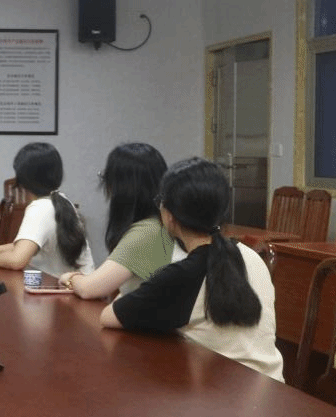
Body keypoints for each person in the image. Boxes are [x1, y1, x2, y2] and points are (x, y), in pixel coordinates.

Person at [100, 157, 283, 382]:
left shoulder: (183, 275)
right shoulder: (252, 256)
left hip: (220, 395)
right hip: (271, 386)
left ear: (169, 215)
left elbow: (108, 316)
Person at [58, 143, 183, 299]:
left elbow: (89, 289)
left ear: (120, 188)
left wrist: (70, 278)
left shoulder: (146, 232)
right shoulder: (159, 224)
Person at [0, 142, 94, 278]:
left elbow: (17, 260)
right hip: (78, 287)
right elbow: (25, 246)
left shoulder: (40, 208)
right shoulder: (61, 201)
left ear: (22, 178)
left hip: (66, 289)